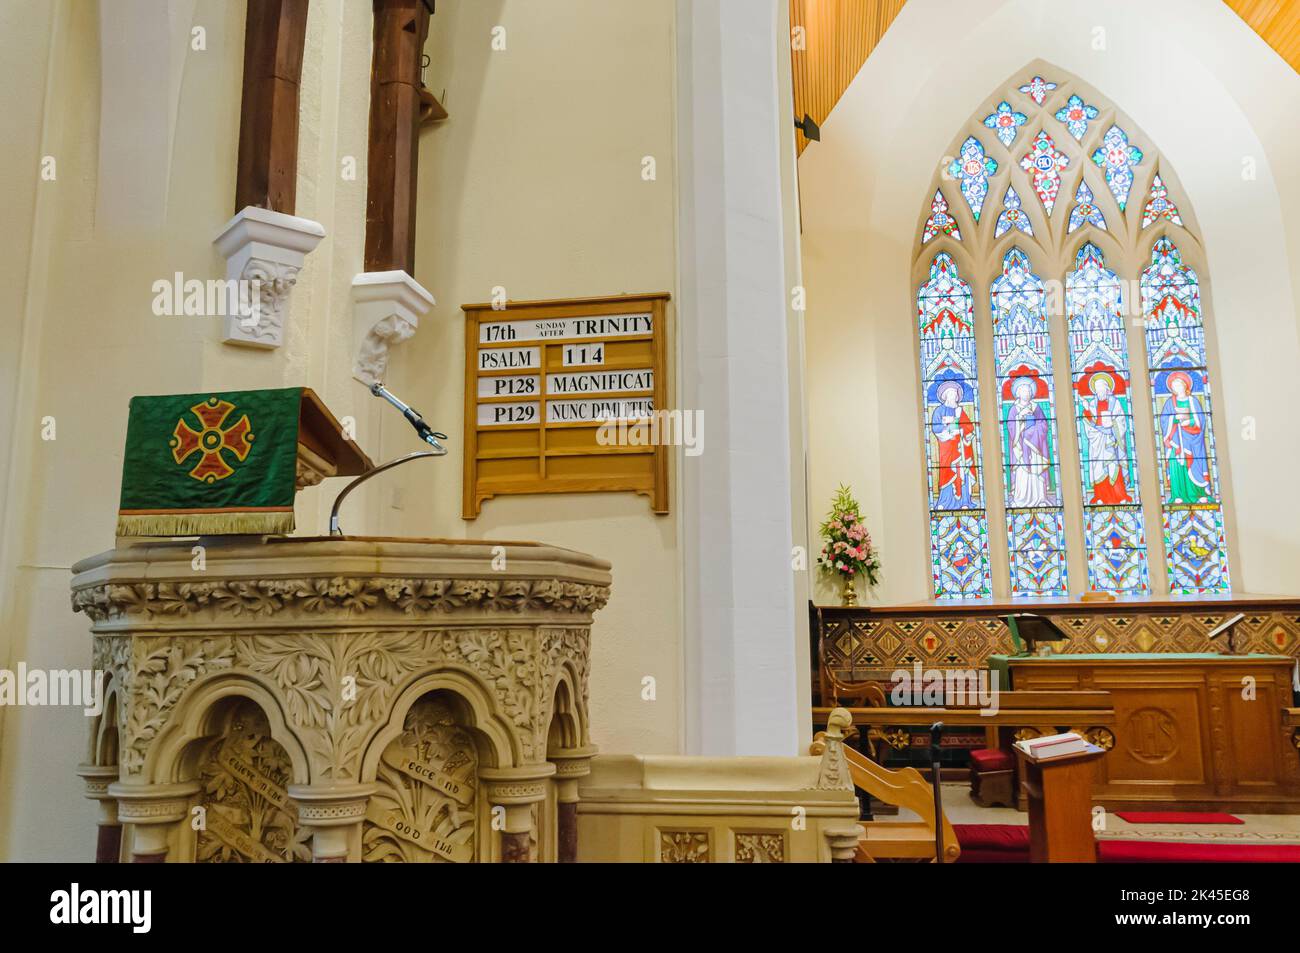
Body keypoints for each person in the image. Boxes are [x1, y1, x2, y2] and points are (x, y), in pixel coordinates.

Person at [1080, 371, 1132, 504]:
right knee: (1099, 469)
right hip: (1098, 442)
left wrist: (1112, 428)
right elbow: (1089, 423)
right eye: (1097, 389)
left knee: (1114, 466)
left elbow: (1121, 421)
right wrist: (1086, 410)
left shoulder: (1116, 404)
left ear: (1107, 389)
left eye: (1101, 388)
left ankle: (1120, 496)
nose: (1099, 392)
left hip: (1111, 440)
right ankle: (1101, 497)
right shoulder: (1092, 404)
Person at [1161, 370, 1209, 503]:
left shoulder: (1193, 401)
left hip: (1192, 439)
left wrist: (1190, 422)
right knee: (1176, 464)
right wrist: (1174, 419)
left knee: (1194, 463)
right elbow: (1164, 421)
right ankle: (1178, 495)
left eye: (1180, 385)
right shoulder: (1170, 403)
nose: (1177, 388)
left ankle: (1198, 493)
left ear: (1185, 385)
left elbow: (1201, 420)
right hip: (1176, 440)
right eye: (1174, 386)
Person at [1007, 377, 1054, 507]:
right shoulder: (1013, 409)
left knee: (1036, 472)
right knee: (1023, 474)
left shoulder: (1036, 407)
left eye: (1028, 391)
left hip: (1035, 448)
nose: (1026, 393)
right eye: (1023, 391)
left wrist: (1033, 430)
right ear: (1018, 393)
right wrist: (1020, 420)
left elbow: (1044, 425)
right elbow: (1011, 428)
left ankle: (1040, 499)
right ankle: (1020, 499)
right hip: (1021, 449)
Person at [931, 380, 976, 508]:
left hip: (961, 448)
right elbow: (936, 428)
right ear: (945, 396)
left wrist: (960, 429)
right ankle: (945, 502)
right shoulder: (939, 411)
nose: (954, 396)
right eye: (951, 394)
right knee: (947, 472)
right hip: (947, 449)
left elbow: (969, 428)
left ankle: (964, 501)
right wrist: (948, 428)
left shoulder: (960, 411)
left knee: (963, 471)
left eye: (955, 394)